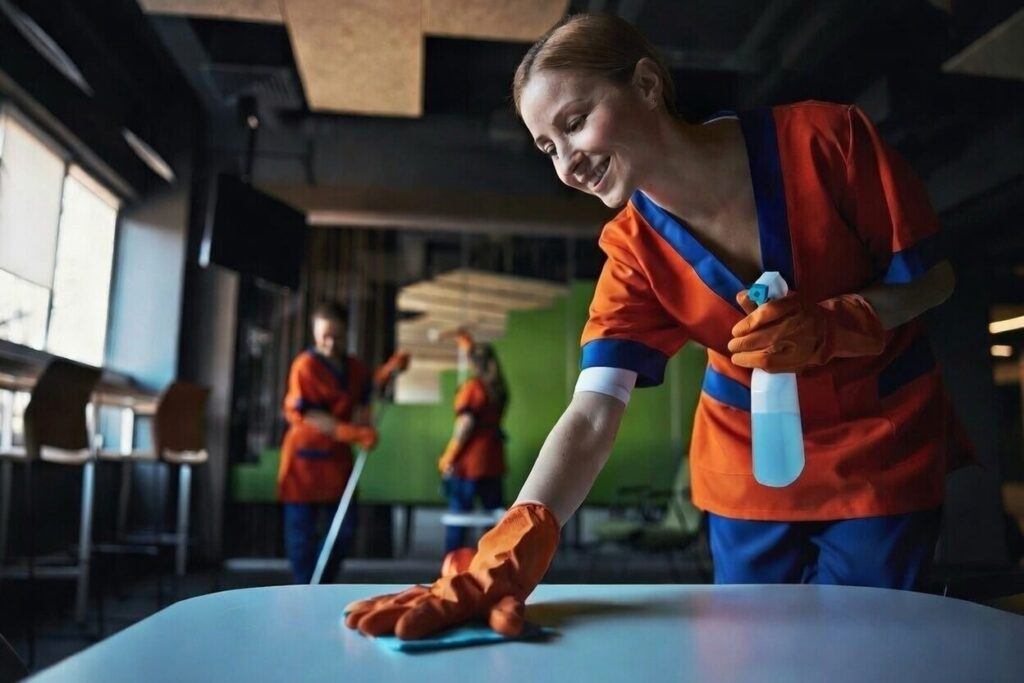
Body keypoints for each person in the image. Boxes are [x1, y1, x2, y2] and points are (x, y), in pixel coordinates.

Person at [344, 13, 966, 640]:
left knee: (873, 645)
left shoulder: (827, 140)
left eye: (574, 123)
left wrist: (842, 322)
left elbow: (933, 280)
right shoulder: (632, 253)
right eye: (547, 147)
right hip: (746, 466)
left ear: (645, 85)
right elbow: (591, 414)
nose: (567, 166)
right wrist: (507, 550)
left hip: (880, 445)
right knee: (753, 652)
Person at [278, 301, 408, 584]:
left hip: (337, 462)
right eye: (324, 335)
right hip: (304, 463)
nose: (330, 342)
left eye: (336, 336)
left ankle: (323, 584)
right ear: (315, 333)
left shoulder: (354, 368)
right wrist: (353, 434)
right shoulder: (305, 367)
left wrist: (388, 372)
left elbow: (365, 394)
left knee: (345, 530)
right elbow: (311, 414)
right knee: (302, 536)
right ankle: (305, 589)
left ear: (345, 332)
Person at [438, 339, 510, 554]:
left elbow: (465, 426)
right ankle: (492, 563)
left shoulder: (472, 388)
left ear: (471, 363)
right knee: (494, 519)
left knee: (459, 518)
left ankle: (451, 568)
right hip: (493, 459)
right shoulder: (498, 387)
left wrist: (448, 457)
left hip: (469, 464)